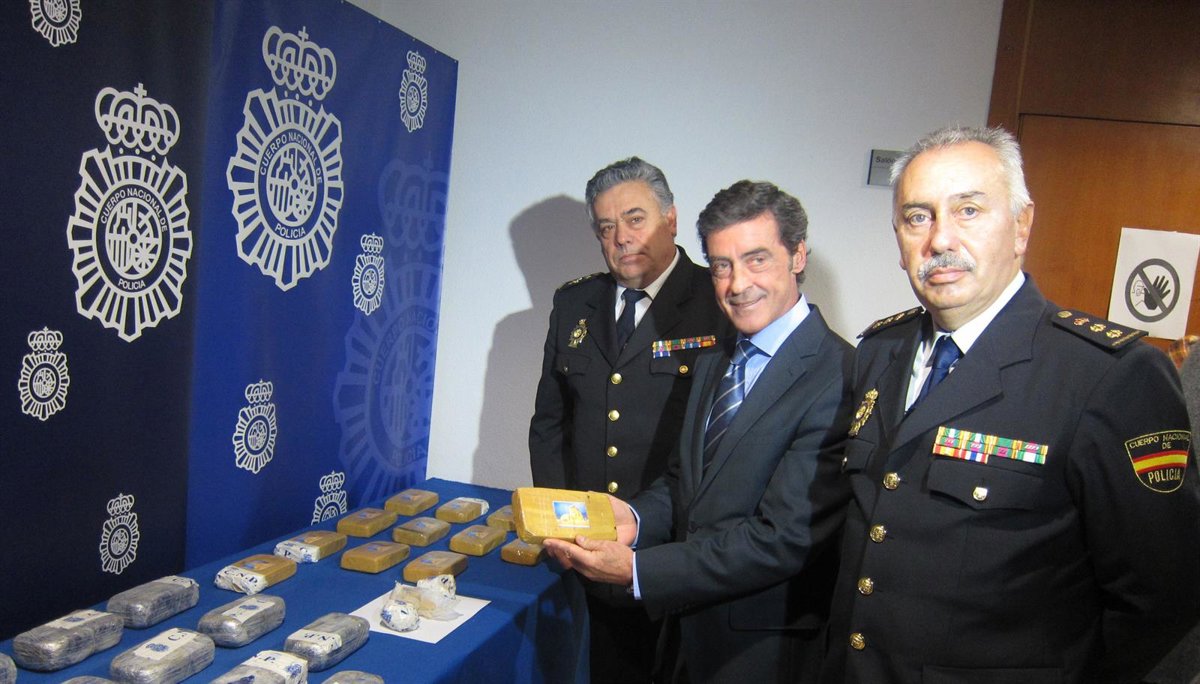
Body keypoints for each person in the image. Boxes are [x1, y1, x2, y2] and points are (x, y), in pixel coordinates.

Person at [822, 125, 1200, 683]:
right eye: (917, 217)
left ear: (1021, 226)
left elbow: (1163, 593)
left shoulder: (1107, 375)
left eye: (969, 210)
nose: (940, 239)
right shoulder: (880, 351)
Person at [546, 180, 854, 683]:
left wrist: (639, 571)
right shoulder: (716, 355)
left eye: (756, 260)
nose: (737, 285)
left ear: (798, 255)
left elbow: (781, 539)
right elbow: (684, 481)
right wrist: (635, 518)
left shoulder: (840, 374)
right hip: (683, 636)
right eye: (721, 266)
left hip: (761, 653)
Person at [529, 157, 729, 682]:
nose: (621, 237)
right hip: (586, 555)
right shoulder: (574, 303)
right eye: (606, 226)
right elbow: (550, 424)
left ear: (671, 219)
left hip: (674, 557)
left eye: (635, 219)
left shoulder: (718, 301)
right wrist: (560, 528)